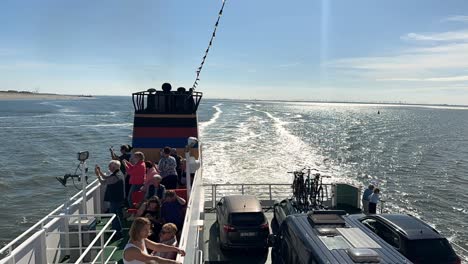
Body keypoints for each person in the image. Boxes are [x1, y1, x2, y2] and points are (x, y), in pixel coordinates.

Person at [94, 160, 125, 237]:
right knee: (116, 215)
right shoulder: (119, 173)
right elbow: (107, 177)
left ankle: (117, 232)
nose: (108, 168)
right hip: (118, 198)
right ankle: (116, 230)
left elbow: (103, 182)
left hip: (116, 199)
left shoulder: (116, 177)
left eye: (110, 166)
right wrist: (100, 172)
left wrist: (98, 175)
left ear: (114, 167)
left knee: (114, 215)